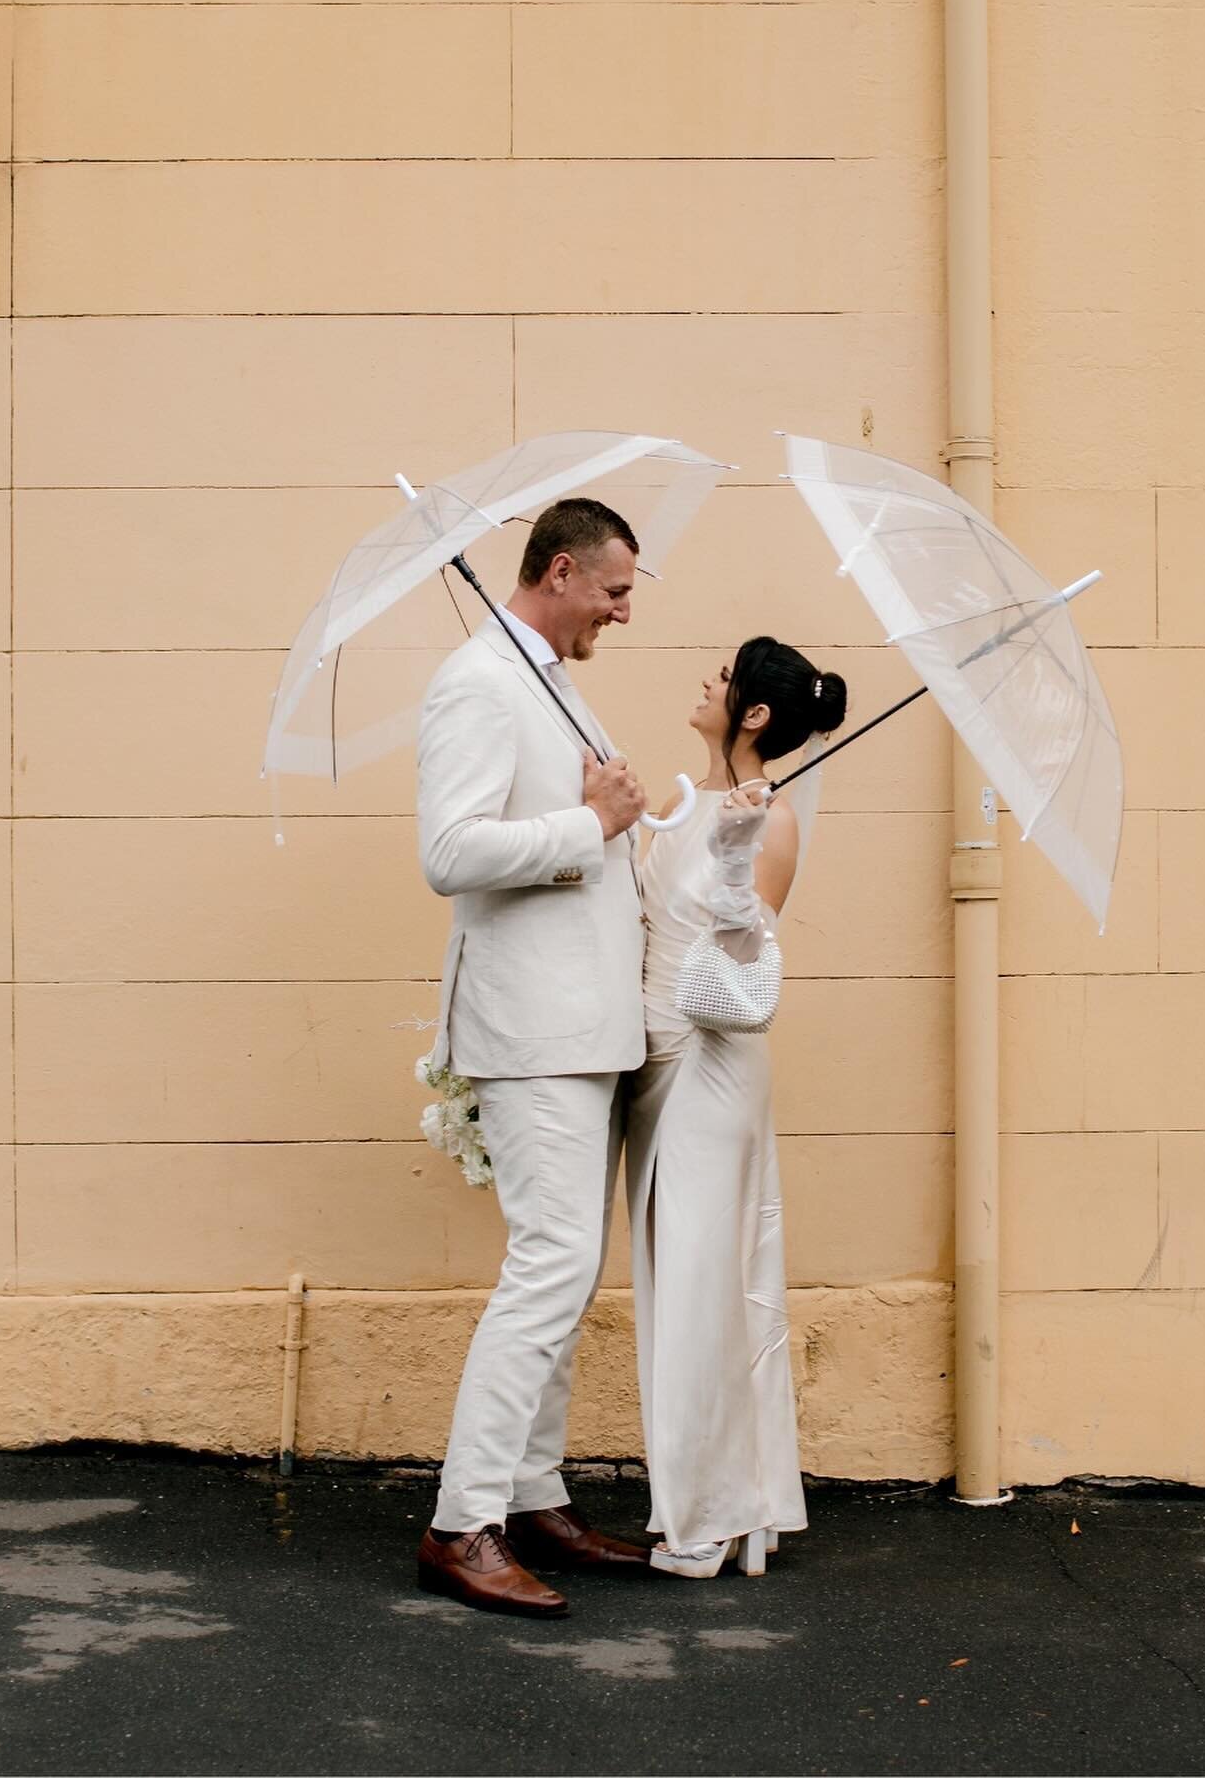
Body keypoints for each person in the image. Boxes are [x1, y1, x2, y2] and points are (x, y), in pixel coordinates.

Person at [413, 498, 655, 1618]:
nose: (621, 611)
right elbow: (451, 852)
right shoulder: (477, 682)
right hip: (531, 1031)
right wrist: (591, 826)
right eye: (612, 591)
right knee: (551, 1266)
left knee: (568, 1266)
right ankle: (464, 1523)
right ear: (560, 571)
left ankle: (534, 1494)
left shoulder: (553, 680)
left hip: (586, 1024)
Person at [626, 636, 847, 1578]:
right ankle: (722, 1499)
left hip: (711, 1059)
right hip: (648, 1060)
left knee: (708, 1284)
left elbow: (743, 945)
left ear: (754, 713)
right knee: (668, 1284)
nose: (707, 683)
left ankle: (712, 1519)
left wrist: (731, 845)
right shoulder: (683, 800)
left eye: (724, 678)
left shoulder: (774, 819)